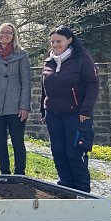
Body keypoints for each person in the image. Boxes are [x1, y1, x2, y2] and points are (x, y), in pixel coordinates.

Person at [41, 25, 99, 193]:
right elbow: (44, 88)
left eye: (59, 41)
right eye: (52, 41)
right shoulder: (49, 61)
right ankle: (65, 188)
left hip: (76, 115)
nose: (55, 44)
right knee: (58, 152)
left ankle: (81, 192)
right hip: (54, 115)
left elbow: (93, 85)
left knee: (75, 154)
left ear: (69, 40)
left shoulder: (82, 58)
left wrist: (85, 111)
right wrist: (44, 110)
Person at [0, 23, 32, 175]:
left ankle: (20, 172)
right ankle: (4, 172)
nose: (5, 35)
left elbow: (26, 82)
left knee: (17, 141)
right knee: (0, 142)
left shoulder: (22, 55)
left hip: (15, 106)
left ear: (14, 35)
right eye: (2, 32)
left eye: (8, 33)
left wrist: (24, 106)